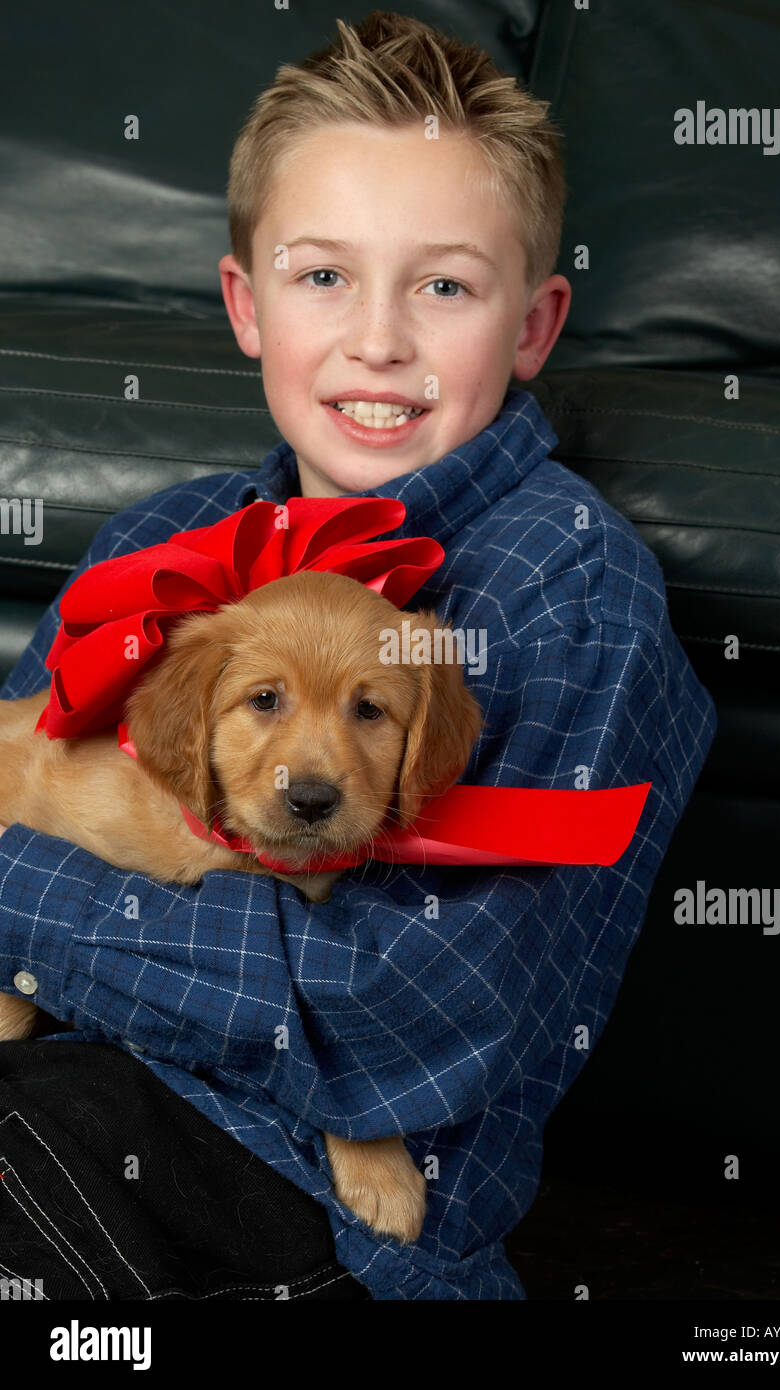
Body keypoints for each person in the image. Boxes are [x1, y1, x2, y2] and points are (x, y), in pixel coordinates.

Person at [0, 10, 716, 1300]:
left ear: (537, 325)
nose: (378, 339)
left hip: (296, 1199)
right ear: (246, 305)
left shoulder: (565, 592)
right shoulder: (162, 543)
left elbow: (391, 1019)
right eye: (322, 275)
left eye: (443, 285)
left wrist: (21, 911)